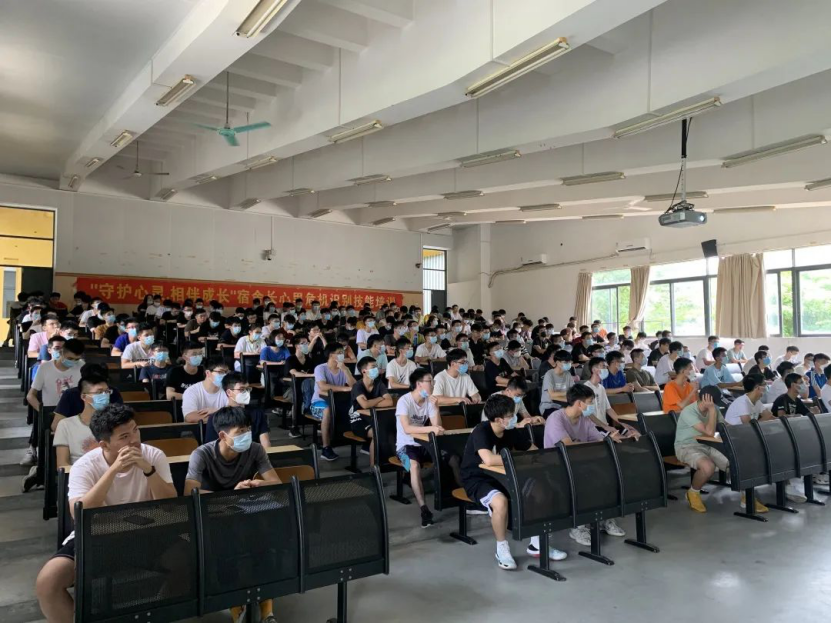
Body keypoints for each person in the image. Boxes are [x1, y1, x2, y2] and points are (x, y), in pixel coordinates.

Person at [35, 404, 176, 623]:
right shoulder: (85, 466)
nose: (134, 440)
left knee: (190, 560)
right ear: (104, 444)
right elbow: (79, 514)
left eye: (136, 431)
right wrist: (113, 470)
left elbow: (169, 505)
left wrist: (148, 470)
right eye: (124, 437)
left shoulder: (153, 455)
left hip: (146, 533)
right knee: (48, 582)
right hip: (98, 537)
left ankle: (156, 612)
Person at [460, 394, 540, 570]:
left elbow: (532, 450)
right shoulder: (481, 431)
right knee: (500, 501)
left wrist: (537, 456)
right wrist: (520, 459)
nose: (514, 418)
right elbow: (488, 459)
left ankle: (537, 543)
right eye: (510, 416)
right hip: (477, 478)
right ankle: (502, 548)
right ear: (498, 420)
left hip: (503, 476)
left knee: (538, 491)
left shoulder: (510, 430)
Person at [542, 384, 624, 547]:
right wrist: (598, 443)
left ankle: (604, 519)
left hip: (581, 463)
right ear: (579, 403)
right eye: (590, 402)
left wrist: (608, 439)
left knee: (609, 476)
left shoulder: (584, 419)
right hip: (558, 467)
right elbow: (567, 446)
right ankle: (578, 527)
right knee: (585, 481)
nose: (592, 405)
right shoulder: (556, 418)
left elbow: (598, 439)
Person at [673, 387, 768, 513]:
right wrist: (712, 410)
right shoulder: (689, 412)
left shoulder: (715, 409)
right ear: (707, 400)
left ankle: (747, 498)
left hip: (709, 445)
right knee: (708, 467)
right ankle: (693, 493)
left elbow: (725, 426)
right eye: (715, 403)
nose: (716, 405)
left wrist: (742, 432)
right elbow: (709, 432)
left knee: (738, 463)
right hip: (686, 446)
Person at [23, 338, 85, 468]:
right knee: (52, 452)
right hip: (52, 412)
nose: (73, 362)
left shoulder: (81, 366)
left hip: (76, 412)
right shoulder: (45, 368)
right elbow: (31, 395)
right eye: (70, 358)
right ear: (62, 352)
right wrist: (43, 413)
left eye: (76, 359)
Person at [395, 369, 443, 528]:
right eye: (430, 381)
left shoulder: (430, 401)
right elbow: (407, 428)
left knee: (449, 457)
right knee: (414, 466)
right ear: (419, 384)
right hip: (405, 446)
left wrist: (436, 408)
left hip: (424, 444)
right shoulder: (404, 401)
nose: (433, 384)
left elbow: (438, 427)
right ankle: (424, 509)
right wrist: (430, 429)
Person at [311, 343, 356, 461]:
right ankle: (326, 447)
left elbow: (354, 386)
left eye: (343, 352)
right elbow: (323, 386)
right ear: (331, 355)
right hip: (319, 403)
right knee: (328, 410)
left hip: (339, 402)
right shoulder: (320, 368)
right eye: (339, 353)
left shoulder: (344, 368)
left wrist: (346, 370)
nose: (343, 355)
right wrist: (344, 389)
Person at [53, 376, 110, 469]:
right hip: (78, 474)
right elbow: (62, 465)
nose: (105, 396)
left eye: (107, 392)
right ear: (84, 396)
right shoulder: (65, 425)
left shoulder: (114, 423)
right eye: (99, 392)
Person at [200, 373, 271, 447]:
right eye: (241, 389)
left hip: (253, 453)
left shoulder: (257, 413)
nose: (246, 392)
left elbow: (265, 441)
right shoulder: (215, 417)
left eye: (248, 389)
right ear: (229, 392)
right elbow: (211, 447)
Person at [582, 357, 640, 437]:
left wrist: (621, 423)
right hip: (594, 427)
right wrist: (605, 426)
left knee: (634, 433)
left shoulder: (601, 388)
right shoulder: (585, 388)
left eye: (606, 367)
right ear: (594, 370)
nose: (606, 369)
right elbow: (588, 414)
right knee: (619, 438)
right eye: (603, 366)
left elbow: (609, 409)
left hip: (605, 425)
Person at [349, 356, 393, 461]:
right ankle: (374, 467)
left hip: (374, 418)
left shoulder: (379, 383)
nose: (376, 369)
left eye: (376, 366)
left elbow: (389, 401)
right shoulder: (357, 386)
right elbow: (364, 405)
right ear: (364, 371)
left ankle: (387, 461)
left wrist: (370, 403)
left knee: (390, 430)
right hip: (358, 420)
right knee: (377, 433)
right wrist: (379, 398)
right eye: (373, 367)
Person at [182, 358, 229, 424]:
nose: (225, 375)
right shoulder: (191, 391)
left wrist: (217, 411)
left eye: (226, 372)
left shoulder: (228, 390)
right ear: (208, 373)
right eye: (220, 372)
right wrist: (223, 415)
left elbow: (236, 412)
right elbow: (190, 417)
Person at [540, 350, 575, 416]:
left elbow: (573, 392)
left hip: (564, 404)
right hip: (549, 405)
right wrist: (568, 396)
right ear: (557, 362)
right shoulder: (549, 374)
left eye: (569, 361)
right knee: (563, 416)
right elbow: (552, 395)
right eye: (566, 362)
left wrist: (570, 399)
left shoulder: (568, 374)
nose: (569, 364)